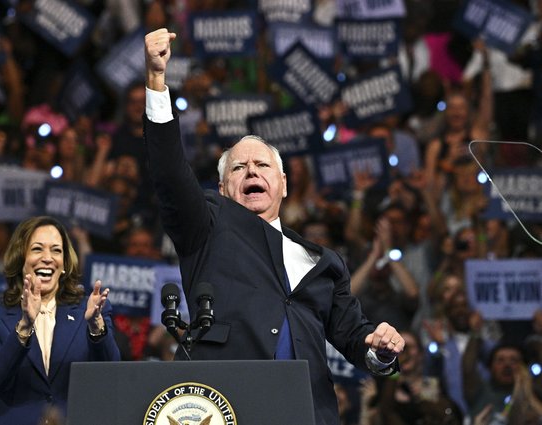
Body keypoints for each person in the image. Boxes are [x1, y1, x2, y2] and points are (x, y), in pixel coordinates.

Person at [143, 28, 405, 425]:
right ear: (222, 187)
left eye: (262, 165)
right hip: (223, 404)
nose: (251, 171)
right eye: (239, 167)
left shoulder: (323, 261)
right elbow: (169, 175)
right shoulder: (209, 225)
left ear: (283, 183)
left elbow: (358, 342)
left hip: (307, 410)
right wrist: (157, 81)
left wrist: (381, 351)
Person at [0, 216, 120, 425]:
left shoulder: (90, 310)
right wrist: (24, 326)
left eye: (56, 250)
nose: (48, 258)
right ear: (20, 258)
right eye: (37, 249)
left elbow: (111, 374)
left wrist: (96, 326)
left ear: (65, 265)